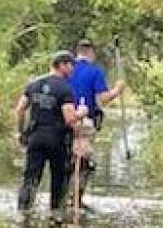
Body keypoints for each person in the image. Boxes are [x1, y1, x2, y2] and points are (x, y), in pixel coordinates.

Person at [14, 51, 86, 214]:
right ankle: (56, 213)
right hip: (58, 140)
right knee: (59, 180)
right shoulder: (65, 89)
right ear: (62, 65)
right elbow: (69, 118)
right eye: (70, 65)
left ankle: (23, 211)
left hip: (36, 137)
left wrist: (21, 133)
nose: (72, 69)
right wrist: (82, 112)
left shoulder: (33, 85)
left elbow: (19, 110)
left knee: (30, 178)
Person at [67, 39, 125, 202]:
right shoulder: (95, 71)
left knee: (67, 157)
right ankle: (75, 198)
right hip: (83, 122)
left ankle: (63, 195)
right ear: (91, 53)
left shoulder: (66, 68)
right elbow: (103, 99)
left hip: (63, 119)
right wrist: (117, 90)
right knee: (84, 160)